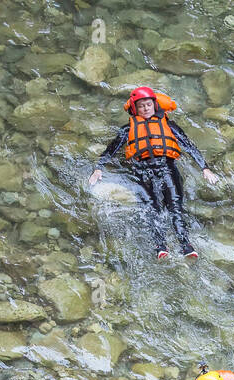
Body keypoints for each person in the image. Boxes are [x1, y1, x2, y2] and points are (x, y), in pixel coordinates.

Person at [88, 86, 219, 260]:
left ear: (155, 105)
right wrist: (98, 168)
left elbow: (189, 146)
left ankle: (186, 245)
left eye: (148, 105)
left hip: (167, 167)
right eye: (141, 106)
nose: (145, 109)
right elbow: (111, 149)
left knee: (175, 206)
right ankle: (160, 246)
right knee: (152, 207)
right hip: (142, 170)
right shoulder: (128, 130)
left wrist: (205, 168)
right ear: (135, 109)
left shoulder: (170, 126)